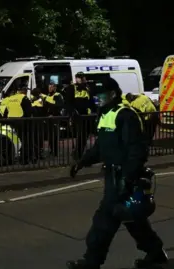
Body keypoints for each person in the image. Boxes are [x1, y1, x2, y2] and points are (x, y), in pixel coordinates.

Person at [67, 78, 167, 269]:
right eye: (96, 96)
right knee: (131, 219)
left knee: (104, 219)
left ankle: (92, 261)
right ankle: (155, 251)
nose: (97, 99)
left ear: (113, 94)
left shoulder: (125, 115)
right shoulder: (104, 114)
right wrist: (81, 162)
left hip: (123, 176)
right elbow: (100, 148)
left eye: (101, 95)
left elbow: (137, 150)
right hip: (113, 175)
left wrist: (128, 178)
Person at [63, 72, 96, 160]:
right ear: (76, 78)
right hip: (78, 116)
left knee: (85, 136)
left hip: (88, 116)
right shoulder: (72, 88)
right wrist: (73, 113)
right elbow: (68, 103)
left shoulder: (87, 88)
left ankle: (79, 153)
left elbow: (91, 101)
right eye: (80, 77)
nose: (82, 79)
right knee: (81, 135)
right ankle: (78, 154)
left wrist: (94, 112)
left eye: (83, 77)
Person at [4, 86, 34, 164]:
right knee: (25, 141)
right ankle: (24, 159)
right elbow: (28, 112)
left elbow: (6, 110)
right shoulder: (24, 98)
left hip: (11, 121)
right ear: (24, 91)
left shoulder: (11, 98)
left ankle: (22, 157)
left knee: (18, 140)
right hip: (21, 121)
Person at [41, 83, 64, 157]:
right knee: (50, 135)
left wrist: (53, 114)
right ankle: (52, 150)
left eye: (51, 87)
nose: (49, 89)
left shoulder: (58, 95)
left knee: (54, 135)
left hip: (55, 118)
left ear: (55, 88)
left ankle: (56, 152)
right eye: (49, 87)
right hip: (48, 118)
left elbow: (59, 105)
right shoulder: (47, 95)